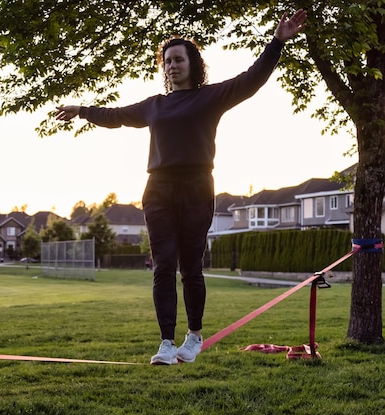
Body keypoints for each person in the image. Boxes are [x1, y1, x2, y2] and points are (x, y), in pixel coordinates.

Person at [55, 9, 307, 365]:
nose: (171, 66)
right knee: (163, 267)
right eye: (167, 61)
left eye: (178, 59)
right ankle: (166, 343)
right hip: (157, 189)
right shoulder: (154, 106)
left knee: (190, 267)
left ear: (193, 63)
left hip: (196, 188)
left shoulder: (210, 97)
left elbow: (252, 79)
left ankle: (193, 337)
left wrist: (277, 42)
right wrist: (81, 109)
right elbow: (116, 116)